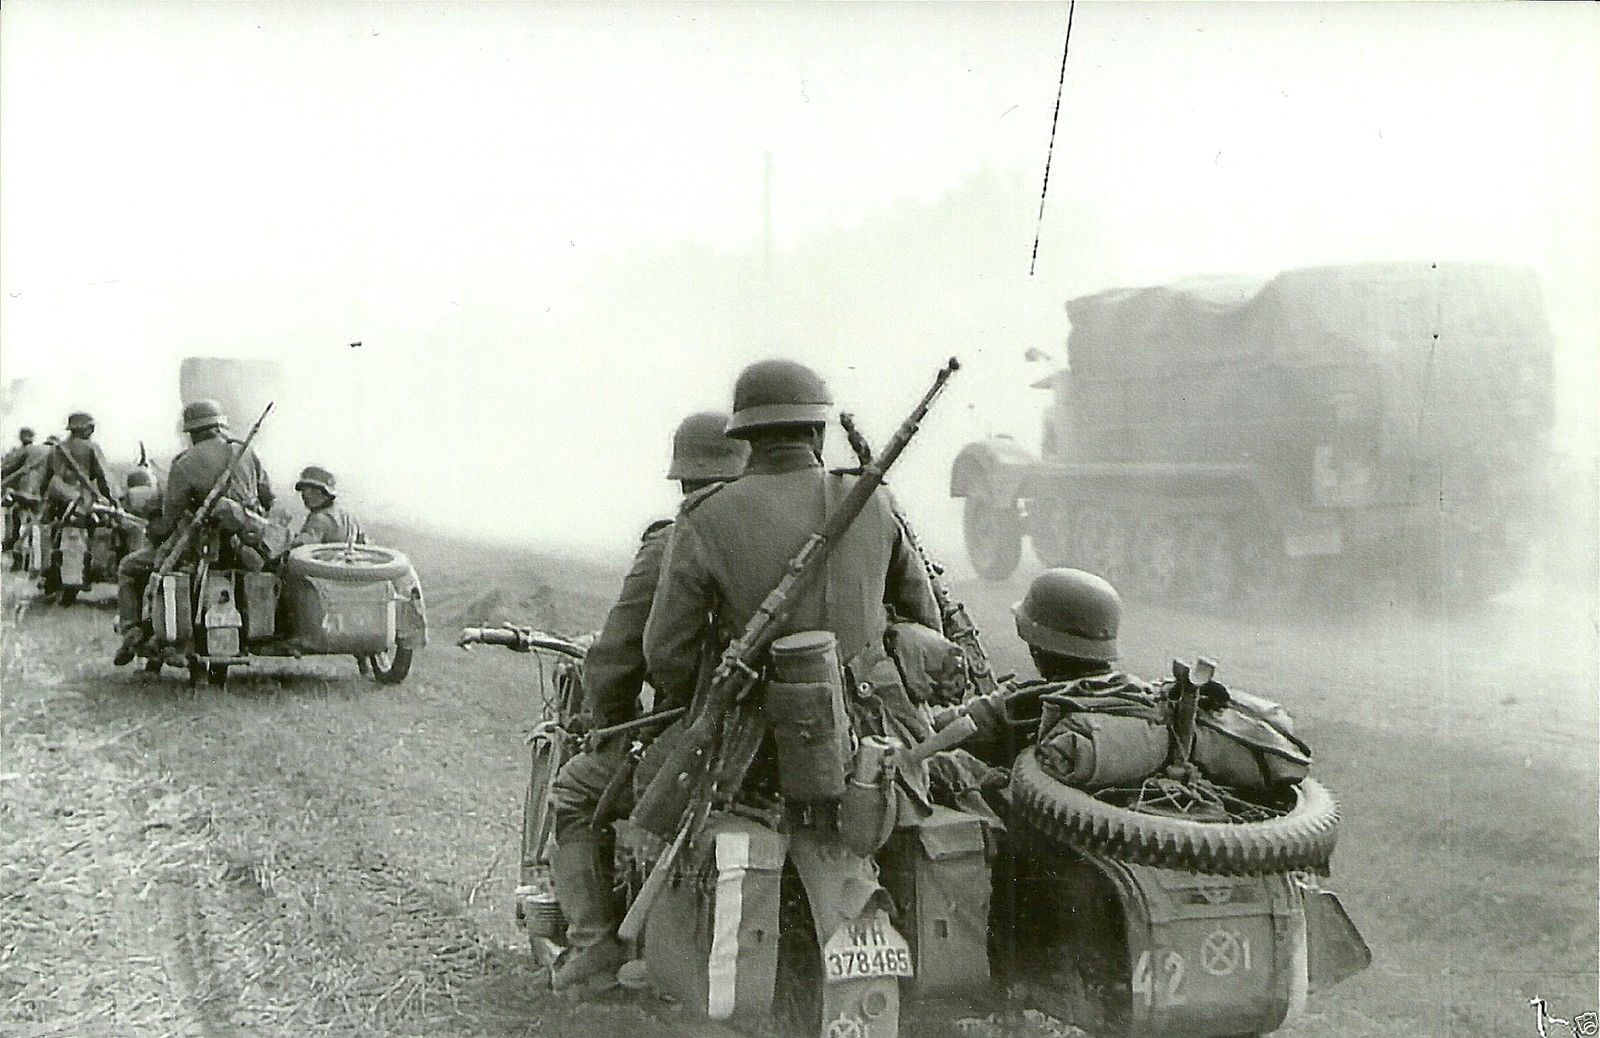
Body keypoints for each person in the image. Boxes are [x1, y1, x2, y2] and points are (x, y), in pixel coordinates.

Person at [547, 411, 749, 993]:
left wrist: (608, 726)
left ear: (684, 480)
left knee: (576, 792)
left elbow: (615, 658)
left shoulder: (673, 541)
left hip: (701, 741)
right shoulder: (793, 534)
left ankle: (592, 947)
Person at [113, 399, 274, 665]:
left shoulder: (185, 463)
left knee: (131, 567)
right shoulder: (246, 452)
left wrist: (154, 530)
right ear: (220, 426)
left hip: (198, 550)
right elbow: (267, 499)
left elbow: (168, 520)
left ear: (191, 432)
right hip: (246, 548)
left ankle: (132, 633)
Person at [44, 412, 114, 522]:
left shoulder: (56, 449)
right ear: (86, 429)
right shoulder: (92, 447)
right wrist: (112, 500)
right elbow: (103, 477)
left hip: (57, 498)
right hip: (82, 500)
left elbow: (47, 476)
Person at [288, 466, 365, 548]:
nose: (305, 495)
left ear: (324, 492)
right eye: (303, 490)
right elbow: (363, 543)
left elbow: (300, 548)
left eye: (311, 490)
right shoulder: (348, 515)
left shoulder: (319, 519)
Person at [2, 428, 50, 550]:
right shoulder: (49, 452)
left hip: (24, 491)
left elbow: (10, 466)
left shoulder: (26, 450)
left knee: (16, 511)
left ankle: (13, 541)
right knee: (36, 519)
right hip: (40, 495)